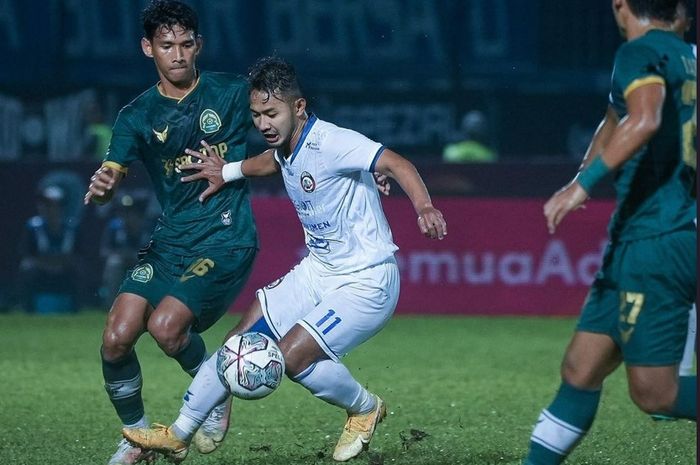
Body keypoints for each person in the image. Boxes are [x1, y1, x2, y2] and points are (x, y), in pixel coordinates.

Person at [122, 56, 447, 463]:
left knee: (293, 357)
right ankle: (180, 433)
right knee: (237, 342)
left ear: (298, 107)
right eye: (256, 114)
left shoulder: (331, 142)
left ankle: (364, 408)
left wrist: (424, 207)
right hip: (319, 270)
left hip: (366, 281)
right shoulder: (286, 146)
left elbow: (398, 163)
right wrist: (229, 170)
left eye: (271, 113)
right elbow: (270, 163)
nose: (263, 124)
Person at [83, 1, 258, 464]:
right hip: (170, 242)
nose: (177, 54)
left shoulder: (233, 93)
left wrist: (238, 167)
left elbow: (288, 129)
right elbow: (109, 177)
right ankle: (136, 436)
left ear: (198, 44)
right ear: (148, 48)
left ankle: (216, 393)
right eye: (166, 46)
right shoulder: (136, 115)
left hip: (225, 237)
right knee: (116, 337)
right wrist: (102, 189)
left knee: (165, 329)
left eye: (185, 44)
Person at [524, 1, 697, 464]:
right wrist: (580, 172)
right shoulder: (686, 55)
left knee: (655, 395)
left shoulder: (639, 52)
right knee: (580, 369)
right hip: (640, 236)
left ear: (620, 4)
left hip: (656, 237)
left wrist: (581, 186)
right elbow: (616, 114)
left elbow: (644, 117)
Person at [17, 185, 82, 313]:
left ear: (61, 207)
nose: (47, 209)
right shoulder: (33, 227)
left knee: (79, 270)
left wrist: (60, 263)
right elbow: (26, 254)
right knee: (27, 268)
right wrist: (46, 264)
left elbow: (78, 254)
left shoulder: (72, 227)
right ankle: (26, 308)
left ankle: (77, 308)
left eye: (52, 205)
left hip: (65, 267)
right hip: (40, 267)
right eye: (44, 205)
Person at [97, 191, 157, 308]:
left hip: (145, 264)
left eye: (132, 213)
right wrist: (121, 255)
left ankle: (151, 306)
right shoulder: (115, 227)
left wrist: (136, 256)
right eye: (124, 213)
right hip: (122, 262)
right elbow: (104, 251)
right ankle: (111, 306)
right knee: (113, 263)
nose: (127, 217)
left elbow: (159, 252)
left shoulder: (150, 228)